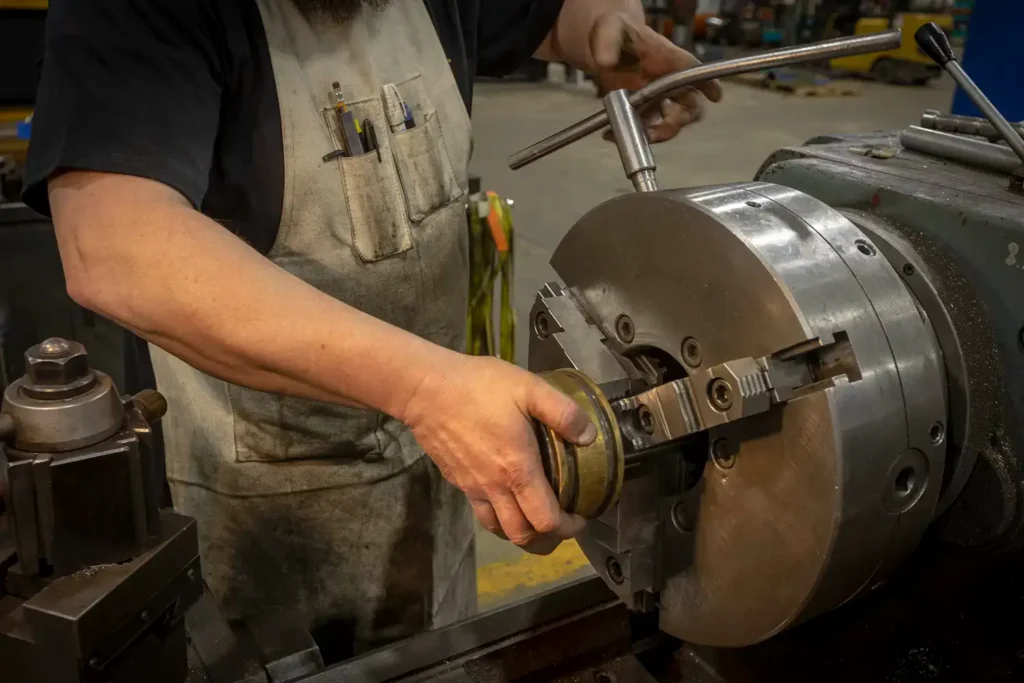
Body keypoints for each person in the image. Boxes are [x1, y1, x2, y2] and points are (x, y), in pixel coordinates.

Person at [22, 0, 721, 655]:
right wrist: (423, 388)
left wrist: (606, 32)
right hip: (263, 535)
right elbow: (114, 247)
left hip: (440, 486)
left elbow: (558, 16)